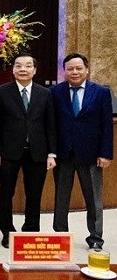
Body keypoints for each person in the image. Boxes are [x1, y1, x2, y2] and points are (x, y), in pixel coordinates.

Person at [0, 53, 56, 248]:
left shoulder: (46, 93)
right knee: (6, 193)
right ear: (13, 70)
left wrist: (52, 153)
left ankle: (30, 231)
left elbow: (50, 125)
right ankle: (7, 231)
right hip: (8, 152)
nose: (23, 69)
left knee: (34, 194)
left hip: (37, 153)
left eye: (28, 66)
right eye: (18, 66)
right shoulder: (1, 92)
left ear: (35, 70)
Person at [51, 53, 113, 250]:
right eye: (70, 69)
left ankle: (95, 238)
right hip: (63, 154)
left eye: (79, 68)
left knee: (94, 199)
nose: (75, 72)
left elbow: (106, 126)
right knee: (61, 198)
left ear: (87, 69)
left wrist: (105, 153)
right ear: (64, 71)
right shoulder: (55, 92)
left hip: (91, 155)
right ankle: (60, 236)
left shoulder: (101, 92)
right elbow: (51, 126)